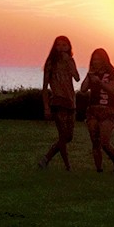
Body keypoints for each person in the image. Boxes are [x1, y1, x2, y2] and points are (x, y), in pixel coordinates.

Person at [81, 48, 114, 173]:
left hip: (108, 111)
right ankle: (99, 170)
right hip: (92, 110)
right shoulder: (92, 73)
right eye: (94, 59)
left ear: (105, 59)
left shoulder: (113, 73)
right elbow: (83, 89)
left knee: (104, 142)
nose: (96, 62)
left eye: (99, 59)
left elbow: (112, 91)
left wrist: (99, 83)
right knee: (95, 142)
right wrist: (89, 75)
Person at [38, 36, 79, 170]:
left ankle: (46, 158)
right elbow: (45, 87)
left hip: (70, 102)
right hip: (58, 101)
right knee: (63, 135)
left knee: (68, 137)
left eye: (64, 45)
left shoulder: (70, 61)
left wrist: (69, 62)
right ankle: (68, 166)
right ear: (55, 47)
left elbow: (77, 78)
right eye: (58, 45)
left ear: (69, 47)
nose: (61, 48)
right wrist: (46, 107)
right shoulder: (51, 63)